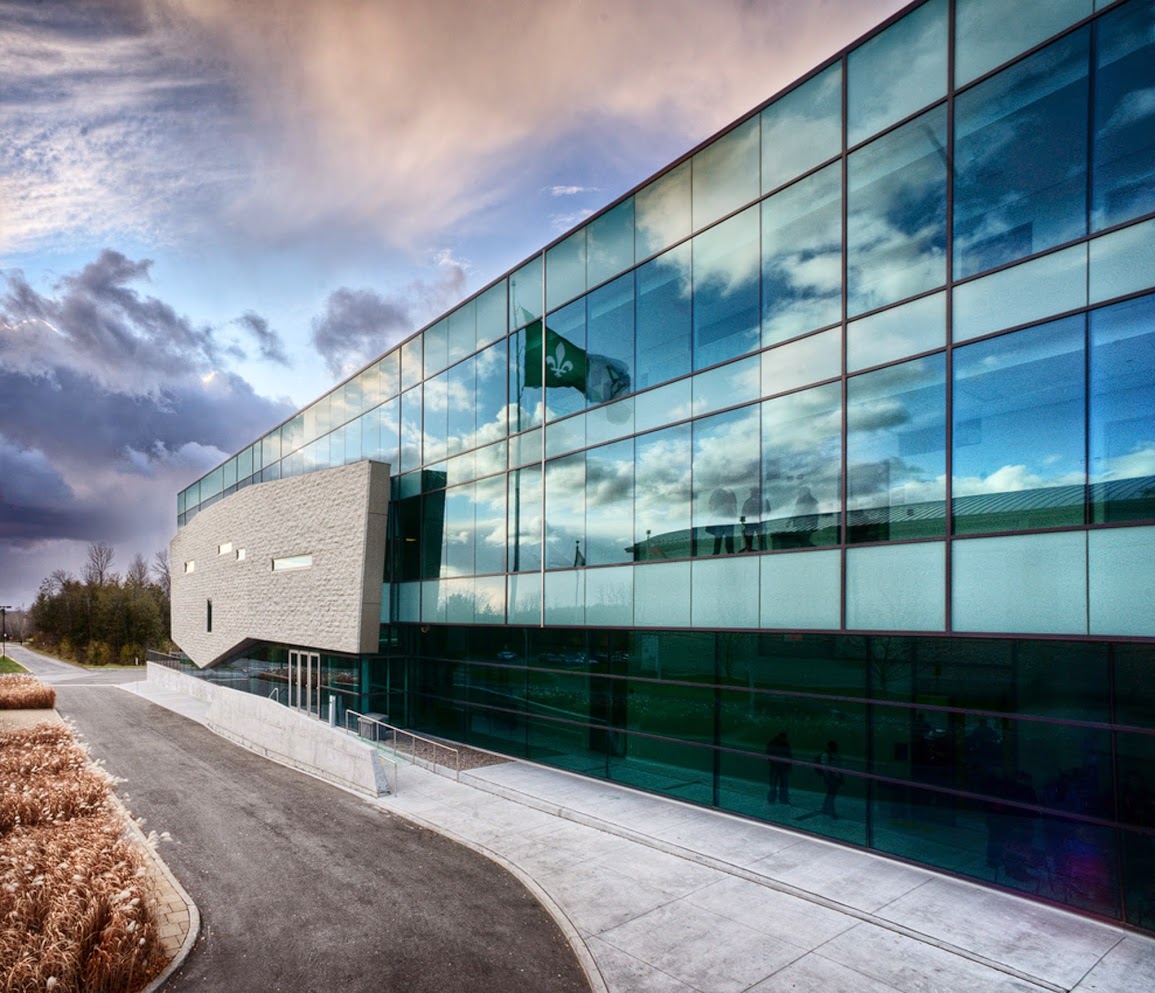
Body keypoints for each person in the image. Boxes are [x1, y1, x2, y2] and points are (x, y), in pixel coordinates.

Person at [817, 740, 844, 819]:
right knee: (831, 794)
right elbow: (825, 768)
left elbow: (839, 767)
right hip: (832, 777)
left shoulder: (835, 755)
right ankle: (831, 811)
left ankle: (825, 808)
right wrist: (828, 778)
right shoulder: (827, 755)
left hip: (835, 777)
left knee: (830, 794)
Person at [707, 486, 737, 555]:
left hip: (722, 519)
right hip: (725, 519)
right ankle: (729, 553)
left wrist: (714, 513)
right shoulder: (729, 492)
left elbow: (710, 505)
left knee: (720, 537)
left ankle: (718, 553)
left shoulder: (717, 492)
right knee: (725, 537)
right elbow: (734, 506)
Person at [766, 731, 792, 804]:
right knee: (782, 784)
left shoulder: (773, 742)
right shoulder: (784, 744)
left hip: (776, 766)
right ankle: (782, 799)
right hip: (781, 766)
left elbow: (768, 753)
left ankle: (772, 799)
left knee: (774, 784)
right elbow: (788, 755)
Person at [742, 487, 769, 552]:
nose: (752, 493)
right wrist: (743, 522)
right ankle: (750, 551)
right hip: (750, 524)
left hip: (757, 523)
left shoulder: (763, 501)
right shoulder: (748, 502)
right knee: (749, 539)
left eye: (753, 491)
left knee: (761, 539)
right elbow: (743, 513)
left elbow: (768, 510)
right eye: (752, 491)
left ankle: (762, 551)